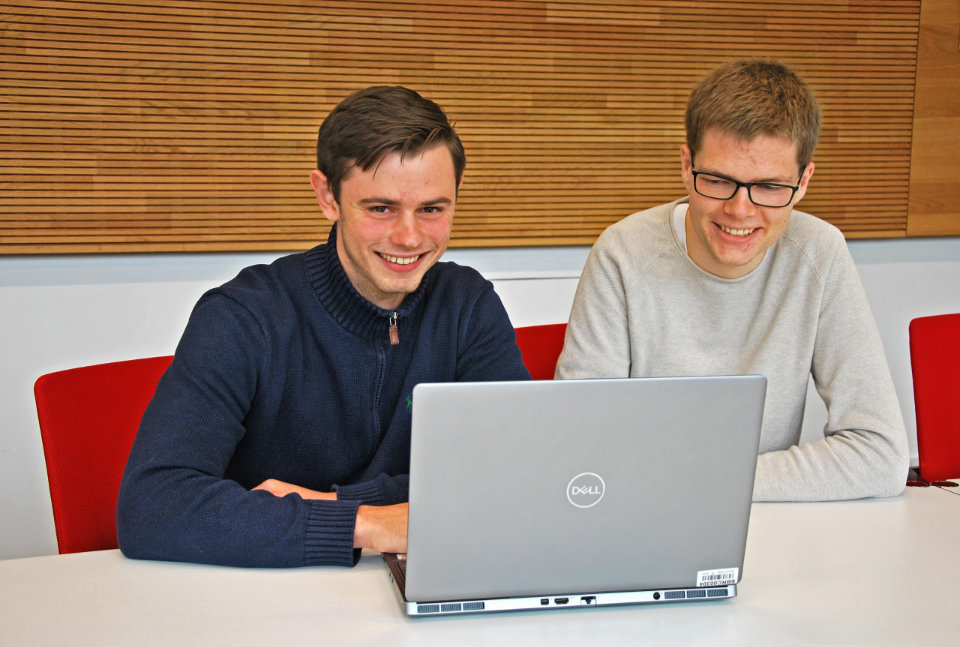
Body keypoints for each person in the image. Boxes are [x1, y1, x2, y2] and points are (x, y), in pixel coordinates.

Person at [117, 86, 531, 567]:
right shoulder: (241, 316)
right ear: (327, 196)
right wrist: (369, 523)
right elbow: (152, 507)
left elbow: (513, 476)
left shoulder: (467, 304)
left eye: (432, 209)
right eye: (380, 208)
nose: (410, 237)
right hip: (267, 604)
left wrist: (338, 501)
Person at [555, 58, 908, 501]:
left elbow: (880, 454)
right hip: (643, 512)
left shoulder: (819, 252)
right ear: (687, 165)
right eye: (719, 180)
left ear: (803, 182)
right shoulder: (622, 254)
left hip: (764, 520)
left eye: (770, 187)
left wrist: (712, 481)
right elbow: (580, 445)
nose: (740, 211)